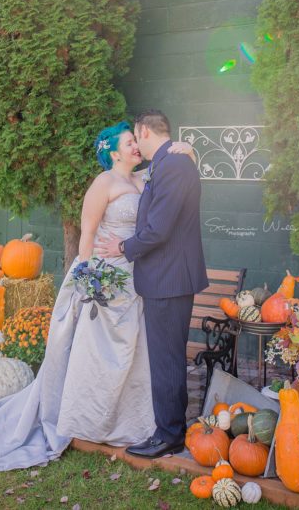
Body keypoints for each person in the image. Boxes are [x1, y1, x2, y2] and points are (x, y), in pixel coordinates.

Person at [0, 122, 193, 471]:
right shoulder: (103, 183)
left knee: (136, 354)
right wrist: (89, 280)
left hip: (138, 278)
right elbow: (87, 234)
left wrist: (189, 149)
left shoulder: (145, 178)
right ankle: (92, 421)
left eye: (137, 140)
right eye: (129, 142)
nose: (136, 146)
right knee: (101, 353)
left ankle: (135, 424)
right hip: (106, 278)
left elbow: (169, 174)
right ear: (114, 153)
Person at [97, 110, 208, 459]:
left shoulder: (173, 166)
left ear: (144, 130)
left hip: (168, 279)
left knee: (167, 360)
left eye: (135, 136)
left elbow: (159, 229)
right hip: (167, 278)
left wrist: (122, 247)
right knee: (168, 358)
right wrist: (189, 150)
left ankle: (169, 435)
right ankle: (172, 429)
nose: (136, 144)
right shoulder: (168, 162)